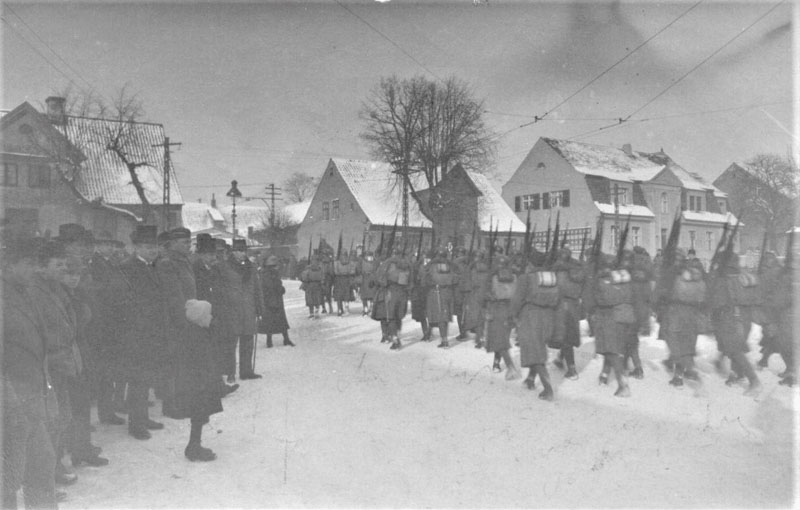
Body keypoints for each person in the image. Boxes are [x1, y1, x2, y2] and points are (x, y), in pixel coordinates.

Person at [155, 227, 223, 462]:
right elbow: (176, 304)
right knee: (196, 389)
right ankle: (193, 445)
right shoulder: (167, 265)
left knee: (202, 389)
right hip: (184, 334)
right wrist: (200, 316)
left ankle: (195, 443)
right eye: (182, 241)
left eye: (188, 241)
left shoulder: (184, 263)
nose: (187, 245)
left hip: (194, 331)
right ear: (171, 244)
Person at [2, 236, 58, 509]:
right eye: (27, 263)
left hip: (31, 399)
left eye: (36, 263)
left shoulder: (25, 291)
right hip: (8, 405)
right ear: (6, 265)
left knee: (42, 464)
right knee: (6, 479)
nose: (35, 269)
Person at [28, 239, 83, 487]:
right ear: (41, 266)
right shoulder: (34, 290)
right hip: (47, 365)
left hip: (62, 362)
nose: (64, 268)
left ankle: (54, 467)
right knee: (50, 420)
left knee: (62, 417)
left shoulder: (55, 287)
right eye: (58, 264)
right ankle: (45, 476)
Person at [116, 225, 170, 440]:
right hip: (136, 331)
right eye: (147, 247)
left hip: (152, 330)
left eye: (154, 246)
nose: (152, 250)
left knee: (146, 376)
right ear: (135, 247)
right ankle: (136, 424)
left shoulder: (153, 266)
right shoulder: (127, 268)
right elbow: (127, 302)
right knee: (137, 379)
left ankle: (143, 417)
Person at [86, 233, 127, 426]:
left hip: (113, 322)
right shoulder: (95, 264)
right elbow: (102, 291)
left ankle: (108, 410)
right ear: (97, 246)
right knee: (103, 371)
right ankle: (104, 412)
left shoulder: (110, 263)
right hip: (102, 322)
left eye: (111, 244)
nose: (109, 248)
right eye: (104, 244)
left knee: (110, 370)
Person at [708, 254, 761, 396]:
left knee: (734, 349)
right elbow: (756, 297)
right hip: (746, 317)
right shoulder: (745, 277)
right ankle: (737, 373)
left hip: (731, 317)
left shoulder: (723, 279)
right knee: (736, 347)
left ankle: (754, 380)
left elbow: (717, 302)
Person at [192, 234, 239, 396]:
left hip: (215, 316)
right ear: (201, 255)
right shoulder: (196, 269)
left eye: (214, 254)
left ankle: (217, 386)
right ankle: (209, 388)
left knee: (214, 352)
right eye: (209, 255)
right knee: (206, 354)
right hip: (202, 318)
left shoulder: (214, 269)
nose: (213, 257)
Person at [511, 252, 559, 400]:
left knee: (534, 351)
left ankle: (548, 389)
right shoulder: (551, 278)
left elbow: (517, 300)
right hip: (548, 317)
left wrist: (513, 316)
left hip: (531, 317)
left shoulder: (526, 278)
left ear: (531, 263)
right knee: (538, 348)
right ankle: (531, 379)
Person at [656, 248, 705, 387]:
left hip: (674, 312)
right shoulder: (693, 273)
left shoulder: (671, 274)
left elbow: (661, 294)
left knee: (674, 342)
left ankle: (679, 374)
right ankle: (688, 369)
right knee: (687, 342)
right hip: (692, 314)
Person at [585, 254, 633, 397]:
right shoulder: (623, 279)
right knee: (611, 347)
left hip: (606, 318)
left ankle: (622, 383)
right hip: (623, 317)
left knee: (610, 350)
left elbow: (593, 301)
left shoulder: (600, 281)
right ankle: (604, 375)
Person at [226, 239, 264, 380]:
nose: (242, 254)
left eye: (243, 251)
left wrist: (260, 308)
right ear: (233, 252)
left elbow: (257, 288)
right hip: (232, 310)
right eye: (238, 250)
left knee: (248, 340)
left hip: (249, 309)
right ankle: (230, 373)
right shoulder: (226, 267)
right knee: (231, 342)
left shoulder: (251, 267)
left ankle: (246, 371)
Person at [482, 255, 522, 380]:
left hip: (496, 309)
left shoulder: (492, 276)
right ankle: (497, 363)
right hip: (511, 309)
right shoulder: (515, 276)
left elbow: (485, 294)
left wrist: (486, 307)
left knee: (498, 338)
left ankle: (508, 366)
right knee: (503, 337)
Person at [552, 246, 584, 380]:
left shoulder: (558, 270)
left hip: (561, 305)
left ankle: (572, 369)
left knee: (564, 337)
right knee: (569, 334)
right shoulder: (578, 269)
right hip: (574, 305)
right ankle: (560, 358)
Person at [372, 246, 411, 350]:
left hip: (391, 291)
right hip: (403, 292)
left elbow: (379, 278)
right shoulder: (407, 264)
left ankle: (395, 340)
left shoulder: (387, 263)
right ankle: (397, 334)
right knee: (399, 316)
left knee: (391, 316)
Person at [424, 248, 458, 348]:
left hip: (435, 292)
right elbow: (457, 277)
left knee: (436, 315)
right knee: (445, 315)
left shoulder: (431, 266)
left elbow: (424, 276)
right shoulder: (451, 266)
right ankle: (444, 338)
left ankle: (442, 339)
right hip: (448, 292)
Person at [259, 255, 294, 347]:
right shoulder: (270, 274)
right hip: (274, 299)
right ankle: (284, 339)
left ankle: (271, 341)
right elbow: (273, 286)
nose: (276, 267)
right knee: (278, 319)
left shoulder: (264, 273)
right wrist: (281, 289)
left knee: (271, 320)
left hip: (269, 299)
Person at [332, 251, 357, 316]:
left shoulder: (336, 263)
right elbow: (353, 272)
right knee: (347, 294)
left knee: (339, 296)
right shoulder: (350, 263)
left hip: (339, 280)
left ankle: (340, 310)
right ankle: (347, 309)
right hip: (347, 280)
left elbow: (335, 272)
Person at [358, 251, 378, 316]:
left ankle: (366, 309)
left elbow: (359, 270)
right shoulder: (375, 262)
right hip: (372, 280)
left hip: (365, 280)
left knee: (364, 296)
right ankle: (371, 307)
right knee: (372, 295)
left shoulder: (362, 262)